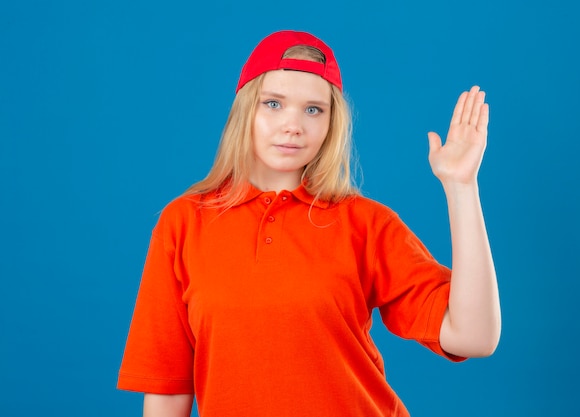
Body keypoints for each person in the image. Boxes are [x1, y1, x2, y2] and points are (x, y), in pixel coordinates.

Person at [117, 30, 501, 417]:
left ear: (332, 123)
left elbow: (474, 337)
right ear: (244, 109)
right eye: (273, 103)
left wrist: (461, 186)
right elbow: (167, 388)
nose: (293, 125)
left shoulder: (365, 223)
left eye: (313, 110)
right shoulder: (184, 222)